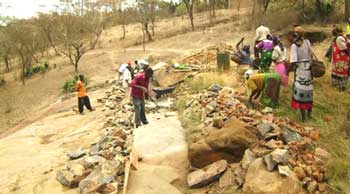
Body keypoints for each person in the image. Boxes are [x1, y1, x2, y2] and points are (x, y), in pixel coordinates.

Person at [290, 26, 314, 122]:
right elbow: (311, 54)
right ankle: (309, 115)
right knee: (308, 93)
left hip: (300, 70)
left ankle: (303, 118)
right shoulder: (307, 42)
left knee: (300, 93)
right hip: (308, 69)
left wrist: (289, 70)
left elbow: (294, 61)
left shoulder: (294, 46)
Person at [331, 27, 350, 92]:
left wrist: (348, 54)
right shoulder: (341, 37)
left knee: (341, 71)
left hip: (341, 58)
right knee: (340, 71)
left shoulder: (339, 38)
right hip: (339, 58)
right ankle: (340, 87)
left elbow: (344, 49)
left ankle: (341, 88)